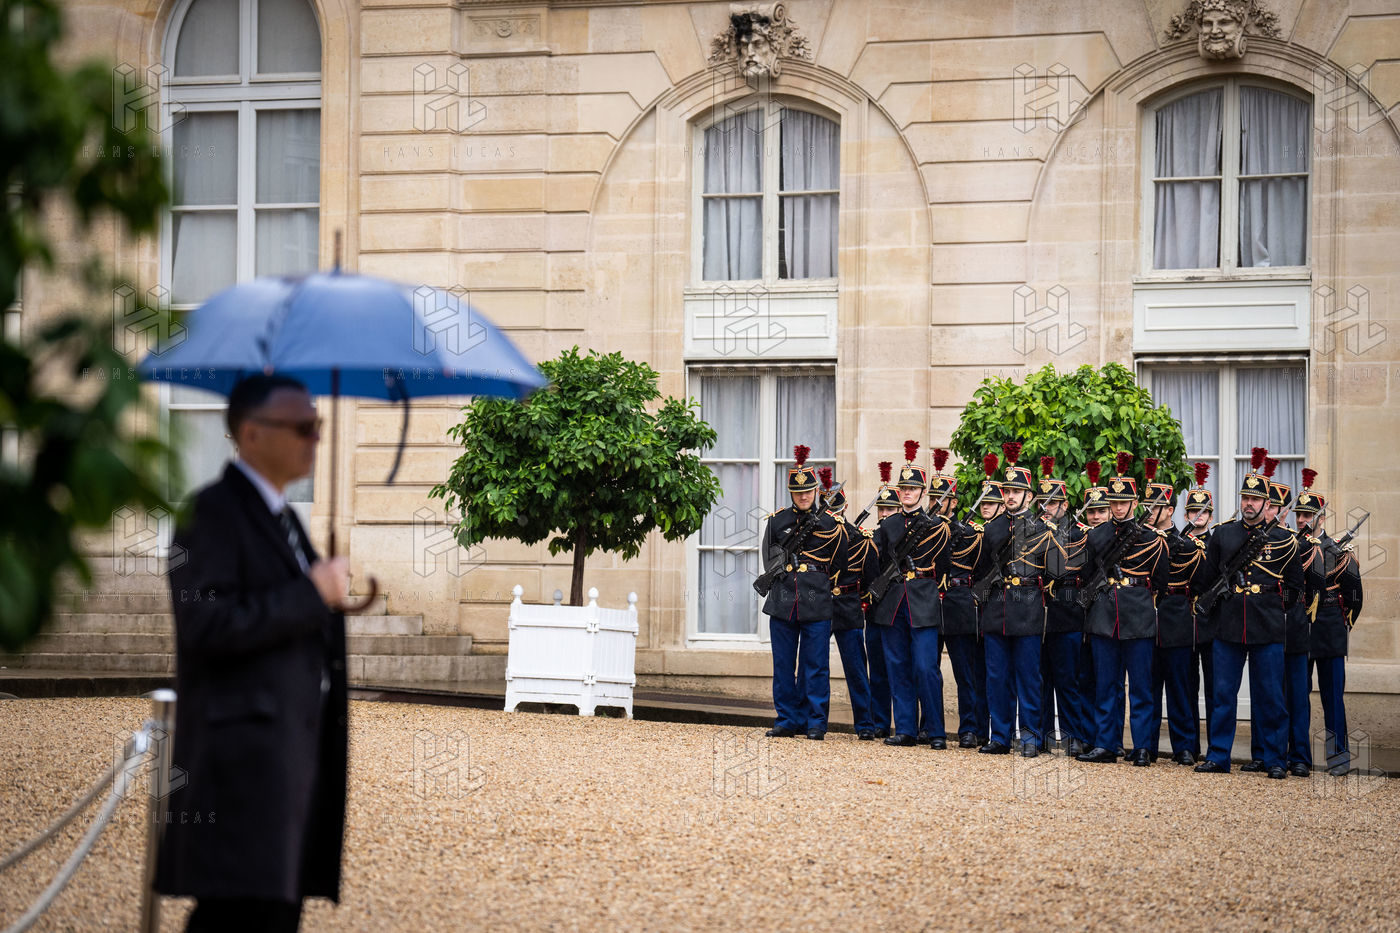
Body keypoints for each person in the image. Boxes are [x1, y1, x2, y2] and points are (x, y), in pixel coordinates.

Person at [156, 373, 351, 933]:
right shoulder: (209, 513)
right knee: (236, 917)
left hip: (289, 759)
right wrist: (311, 593)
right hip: (238, 770)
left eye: (317, 425)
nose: (315, 438)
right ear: (251, 433)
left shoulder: (284, 520)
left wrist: (327, 598)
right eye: (302, 427)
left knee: (271, 914)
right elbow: (205, 625)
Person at [1195, 448, 1305, 778]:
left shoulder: (1285, 540)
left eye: (1255, 499)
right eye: (1245, 498)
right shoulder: (1223, 533)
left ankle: (1275, 759)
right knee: (1223, 696)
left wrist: (1276, 608)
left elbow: (1295, 588)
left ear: (1267, 503)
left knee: (1271, 697)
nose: (1249, 504)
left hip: (1267, 625)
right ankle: (1218, 756)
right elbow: (1207, 579)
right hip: (1229, 624)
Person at [1077, 453, 1168, 767]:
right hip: (1104, 616)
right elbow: (1086, 575)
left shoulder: (1151, 539)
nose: (1117, 508)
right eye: (1114, 503)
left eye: (1123, 502)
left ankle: (1142, 746)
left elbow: (1160, 581)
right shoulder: (1096, 536)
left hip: (1138, 615)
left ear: (1135, 503)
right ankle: (1106, 743)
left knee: (1141, 686)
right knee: (1106, 686)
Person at [975, 443, 1065, 758]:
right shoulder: (992, 529)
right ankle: (1000, 736)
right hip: (997, 609)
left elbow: (1056, 572)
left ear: (1029, 496)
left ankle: (1030, 738)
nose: (1010, 496)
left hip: (1027, 608)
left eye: (1017, 491)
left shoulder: (1042, 529)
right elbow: (981, 570)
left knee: (1029, 678)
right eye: (1007, 491)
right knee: (997, 678)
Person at [760, 445, 847, 740]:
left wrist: (821, 583)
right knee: (784, 665)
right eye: (798, 493)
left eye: (808, 491)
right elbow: (769, 559)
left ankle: (815, 722)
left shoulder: (831, 523)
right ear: (791, 493)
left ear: (816, 491)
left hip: (817, 598)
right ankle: (787, 719)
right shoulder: (777, 521)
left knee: (816, 666)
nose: (804, 497)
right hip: (783, 599)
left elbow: (840, 562)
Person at [870, 441, 951, 747]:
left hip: (923, 601)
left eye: (912, 488)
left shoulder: (936, 526)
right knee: (898, 666)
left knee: (926, 668)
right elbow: (876, 563)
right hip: (893, 602)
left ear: (922, 492)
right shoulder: (888, 525)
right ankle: (905, 729)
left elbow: (944, 565)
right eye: (903, 488)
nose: (906, 493)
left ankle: (935, 731)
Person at [1296, 469, 1365, 776]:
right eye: (1298, 515)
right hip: (1298, 627)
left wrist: (1343, 624)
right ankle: (1297, 757)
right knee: (1297, 696)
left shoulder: (1338, 551)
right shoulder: (1289, 547)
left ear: (1321, 518)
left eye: (1307, 515)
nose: (1301, 520)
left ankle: (1338, 758)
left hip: (1329, 628)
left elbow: (1354, 596)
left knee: (1333, 699)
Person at [1143, 461, 1207, 765]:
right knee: (1148, 688)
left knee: (1181, 688)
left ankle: (1184, 746)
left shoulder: (1188, 545)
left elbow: (1198, 586)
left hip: (1178, 618)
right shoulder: (1138, 542)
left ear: (1170, 510)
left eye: (1156, 507)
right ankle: (1147, 746)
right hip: (1144, 620)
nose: (1149, 512)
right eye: (1147, 506)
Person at [931, 450, 987, 749]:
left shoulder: (969, 533)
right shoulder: (923, 530)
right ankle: (929, 726)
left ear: (953, 502)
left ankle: (969, 728)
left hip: (959, 602)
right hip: (929, 602)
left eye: (942, 499)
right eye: (933, 498)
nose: (936, 503)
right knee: (927, 670)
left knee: (966, 672)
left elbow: (980, 570)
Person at [1038, 457, 1093, 757]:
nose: (1047, 508)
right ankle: (1044, 736)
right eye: (1043, 503)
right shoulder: (1033, 532)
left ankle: (1074, 736)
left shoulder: (1078, 534)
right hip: (1038, 614)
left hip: (1068, 612)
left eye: (1053, 503)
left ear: (1065, 505)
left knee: (1068, 681)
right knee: (1041, 681)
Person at [820, 468, 879, 740]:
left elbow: (870, 579)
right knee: (814, 666)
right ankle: (811, 721)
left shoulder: (860, 539)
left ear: (844, 507)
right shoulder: (815, 536)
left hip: (848, 604)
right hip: (820, 604)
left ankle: (865, 724)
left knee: (856, 669)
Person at [1181, 464, 1217, 758]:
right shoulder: (1179, 543)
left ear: (1211, 516)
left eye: (1204, 512)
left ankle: (1216, 747)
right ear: (1186, 515)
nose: (1198, 516)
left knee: (1216, 690)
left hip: (1212, 620)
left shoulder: (1218, 542)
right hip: (1184, 620)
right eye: (1194, 511)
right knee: (1186, 687)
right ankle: (1189, 747)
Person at [864, 461, 900, 738]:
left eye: (890, 509)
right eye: (882, 509)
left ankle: (907, 724)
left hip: (898, 608)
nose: (885, 513)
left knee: (900, 668)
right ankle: (880, 721)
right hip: (875, 610)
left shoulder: (905, 536)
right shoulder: (870, 538)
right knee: (877, 668)